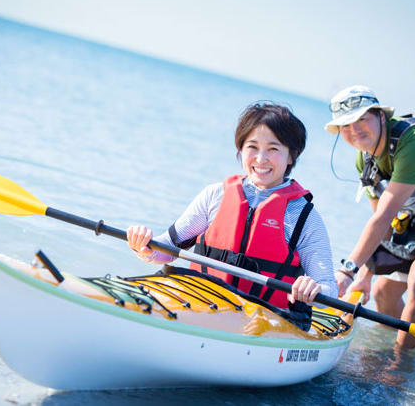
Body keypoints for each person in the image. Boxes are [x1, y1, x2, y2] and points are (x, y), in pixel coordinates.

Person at [127, 102, 338, 328]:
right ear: (240, 150)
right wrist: (144, 245)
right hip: (202, 304)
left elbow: (328, 290)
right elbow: (167, 248)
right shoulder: (214, 195)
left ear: (291, 156)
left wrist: (312, 289)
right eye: (252, 147)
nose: (261, 158)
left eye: (274, 149)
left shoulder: (303, 216)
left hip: (267, 321)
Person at [326, 85, 415, 348]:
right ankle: (386, 351)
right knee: (384, 293)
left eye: (362, 119)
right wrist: (365, 275)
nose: (354, 130)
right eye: (345, 125)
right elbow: (381, 227)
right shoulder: (365, 159)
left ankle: (399, 369)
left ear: (381, 116)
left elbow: (383, 216)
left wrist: (349, 270)